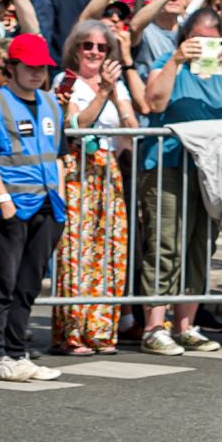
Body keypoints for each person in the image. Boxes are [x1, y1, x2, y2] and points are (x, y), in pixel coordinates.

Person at [138, 6, 222, 355]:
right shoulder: (166, 60)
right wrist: (175, 59)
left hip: (213, 170)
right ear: (185, 38)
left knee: (200, 245)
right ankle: (154, 326)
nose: (203, 47)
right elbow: (154, 101)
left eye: (211, 40)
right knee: (165, 244)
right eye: (196, 40)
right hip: (170, 163)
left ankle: (186, 324)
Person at [0, 33, 70, 382]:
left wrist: (58, 199)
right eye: (29, 67)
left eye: (41, 67)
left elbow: (59, 155)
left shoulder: (51, 103)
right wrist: (3, 202)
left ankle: (17, 352)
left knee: (27, 285)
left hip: (46, 206)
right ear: (12, 67)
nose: (36, 73)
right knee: (1, 283)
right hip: (8, 207)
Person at [50, 20, 135, 356]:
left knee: (109, 249)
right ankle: (72, 331)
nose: (95, 52)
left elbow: (132, 128)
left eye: (102, 47)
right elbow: (75, 125)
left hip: (107, 169)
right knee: (77, 250)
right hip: (77, 170)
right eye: (88, 45)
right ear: (76, 48)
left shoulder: (116, 84)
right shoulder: (66, 81)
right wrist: (102, 92)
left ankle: (100, 330)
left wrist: (116, 92)